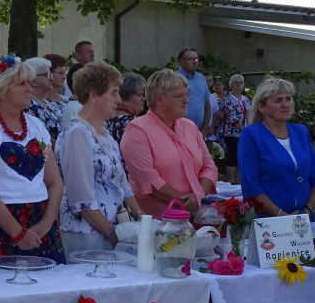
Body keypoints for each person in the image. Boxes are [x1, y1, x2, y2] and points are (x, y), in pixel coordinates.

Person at [0, 56, 65, 266]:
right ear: (2, 89)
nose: (29, 89)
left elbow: (54, 181)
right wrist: (17, 233)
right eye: (22, 84)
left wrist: (44, 225)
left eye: (29, 83)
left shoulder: (36, 127)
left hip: (38, 221)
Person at [55, 62, 141, 252]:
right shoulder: (77, 133)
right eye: (113, 93)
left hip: (113, 231)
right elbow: (81, 200)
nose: (119, 100)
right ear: (93, 96)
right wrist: (112, 235)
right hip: (88, 235)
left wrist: (141, 217)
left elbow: (122, 183)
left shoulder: (103, 131)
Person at [120, 69, 217, 217]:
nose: (186, 100)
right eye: (179, 96)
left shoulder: (190, 127)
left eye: (187, 94)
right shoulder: (137, 130)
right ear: (159, 99)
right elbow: (147, 179)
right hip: (156, 223)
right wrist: (183, 201)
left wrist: (197, 196)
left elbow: (209, 166)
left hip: (194, 216)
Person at [238, 78, 315, 218]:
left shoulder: (301, 131)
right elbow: (251, 186)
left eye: (288, 99)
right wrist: (282, 216)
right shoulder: (251, 135)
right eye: (278, 100)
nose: (285, 105)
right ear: (261, 107)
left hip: (304, 221)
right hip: (270, 223)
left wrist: (306, 213)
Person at [24, 57, 64, 143]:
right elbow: (40, 139)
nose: (52, 79)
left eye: (51, 74)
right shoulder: (30, 106)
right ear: (33, 81)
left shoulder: (46, 103)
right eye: (47, 75)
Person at [105, 71, 146, 147]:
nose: (144, 98)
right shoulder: (133, 123)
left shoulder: (106, 120)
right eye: (139, 95)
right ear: (124, 100)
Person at [222, 74, 249, 185]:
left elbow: (250, 113)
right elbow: (232, 117)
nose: (239, 85)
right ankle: (231, 179)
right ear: (231, 84)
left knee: (241, 156)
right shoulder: (228, 99)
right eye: (236, 82)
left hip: (245, 131)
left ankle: (239, 180)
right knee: (233, 155)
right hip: (232, 132)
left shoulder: (246, 99)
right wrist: (243, 130)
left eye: (241, 82)